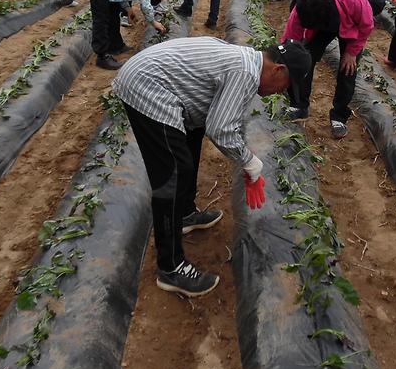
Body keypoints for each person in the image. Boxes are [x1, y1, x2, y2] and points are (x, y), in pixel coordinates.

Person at [114, 38, 312, 297]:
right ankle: (170, 267)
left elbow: (213, 119)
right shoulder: (245, 73)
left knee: (193, 136)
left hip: (153, 78)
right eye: (285, 87)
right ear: (278, 70)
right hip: (146, 86)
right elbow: (221, 129)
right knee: (174, 170)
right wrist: (250, 161)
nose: (280, 93)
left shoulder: (246, 59)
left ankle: (184, 213)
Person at [282, 0, 374, 138]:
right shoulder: (304, 6)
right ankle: (300, 105)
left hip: (349, 22)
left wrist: (351, 52)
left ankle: (339, 116)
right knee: (304, 57)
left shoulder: (353, 0)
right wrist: (289, 57)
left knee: (347, 69)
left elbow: (366, 26)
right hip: (323, 17)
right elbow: (291, 36)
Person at [82, 0, 174, 69]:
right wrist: (153, 22)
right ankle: (102, 57)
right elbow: (145, 5)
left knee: (113, 10)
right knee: (101, 15)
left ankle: (116, 45)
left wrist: (128, 9)